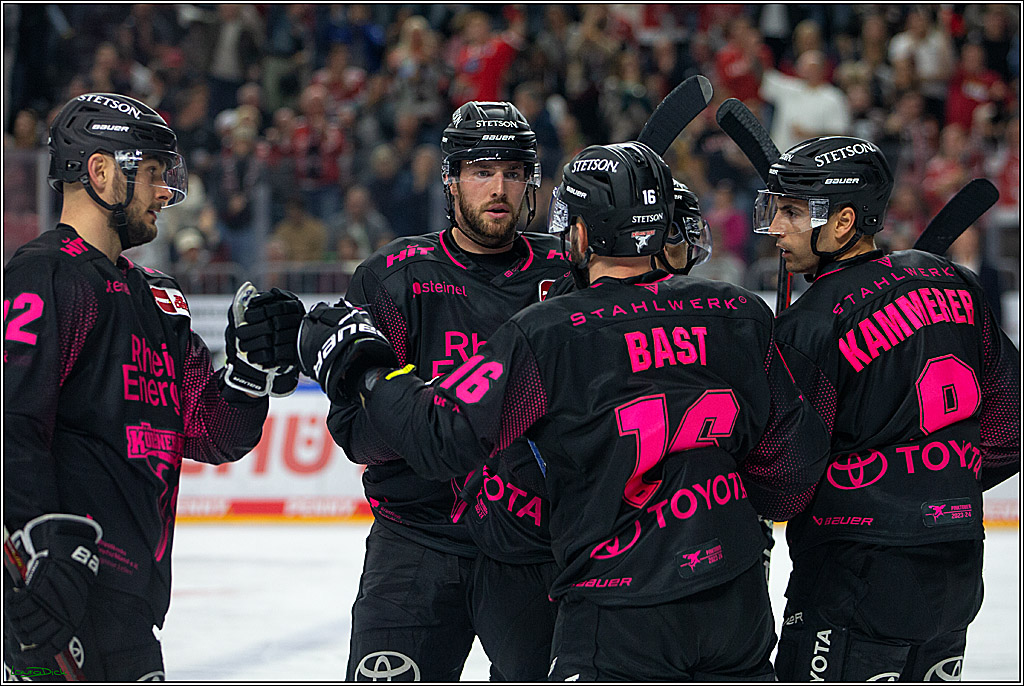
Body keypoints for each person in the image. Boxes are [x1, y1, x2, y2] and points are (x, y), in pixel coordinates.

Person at [299, 141, 831, 680]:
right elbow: (790, 480)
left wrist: (361, 365)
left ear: (577, 234)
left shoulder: (550, 332)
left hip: (617, 613)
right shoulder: (738, 311)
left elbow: (441, 439)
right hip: (734, 606)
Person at [3, 93, 304, 680]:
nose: (165, 192)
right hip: (57, 590)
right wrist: (33, 554)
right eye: (151, 172)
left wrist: (248, 374)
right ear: (99, 171)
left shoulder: (159, 297)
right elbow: (12, 422)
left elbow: (208, 432)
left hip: (130, 599)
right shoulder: (47, 273)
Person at [752, 135, 1020, 681]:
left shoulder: (812, 325)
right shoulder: (955, 283)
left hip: (854, 575)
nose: (776, 227)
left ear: (844, 222)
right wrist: (939, 481)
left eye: (792, 212)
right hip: (956, 563)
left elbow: (788, 485)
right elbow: (1009, 428)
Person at [324, 101, 569, 682]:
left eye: (513, 172)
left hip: (536, 544)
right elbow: (354, 432)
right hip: (417, 539)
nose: (499, 189)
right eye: (482, 171)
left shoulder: (566, 274)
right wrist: (436, 421)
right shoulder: (394, 276)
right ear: (452, 180)